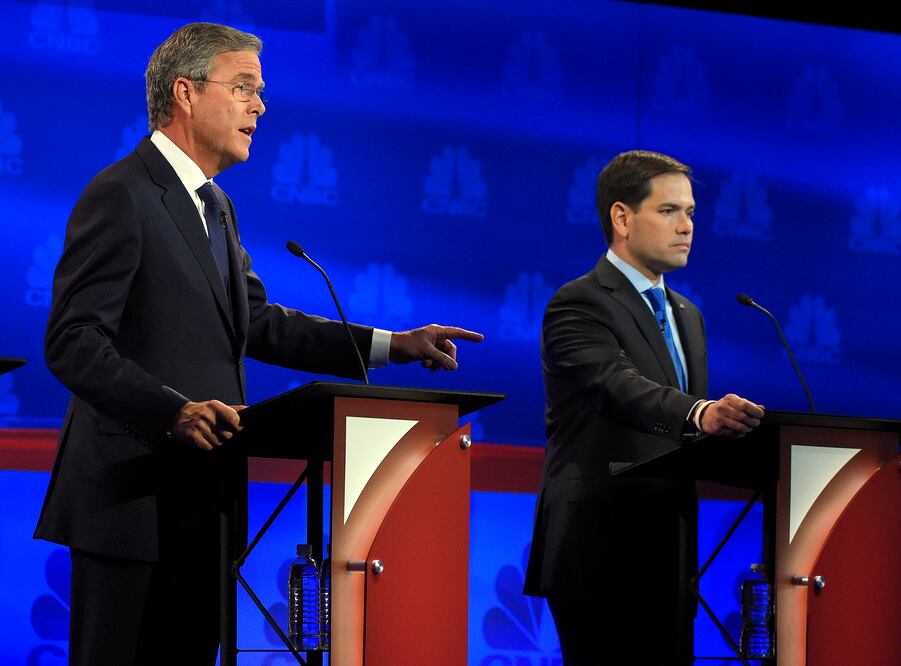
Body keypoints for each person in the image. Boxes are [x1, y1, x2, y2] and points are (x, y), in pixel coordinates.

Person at [33, 22, 482, 666]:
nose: (261, 107)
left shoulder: (216, 208)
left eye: (261, 92)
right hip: (130, 506)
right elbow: (73, 341)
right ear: (185, 94)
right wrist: (172, 410)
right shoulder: (123, 193)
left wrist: (394, 345)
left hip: (203, 502)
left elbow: (262, 322)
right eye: (244, 87)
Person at [524, 150, 765, 664]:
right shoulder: (578, 302)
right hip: (598, 548)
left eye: (691, 213)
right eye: (669, 211)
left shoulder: (688, 314)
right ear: (621, 217)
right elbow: (617, 385)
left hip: (670, 552)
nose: (687, 227)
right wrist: (701, 413)